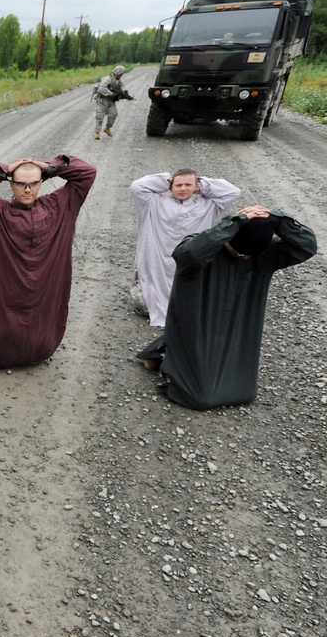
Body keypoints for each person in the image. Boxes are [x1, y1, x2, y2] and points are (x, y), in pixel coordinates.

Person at [136, 206, 316, 410]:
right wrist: (233, 222)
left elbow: (307, 246)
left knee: (244, 394)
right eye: (239, 252)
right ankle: (165, 356)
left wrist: (278, 219)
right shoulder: (199, 249)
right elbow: (188, 254)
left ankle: (163, 355)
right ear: (229, 238)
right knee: (201, 397)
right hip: (196, 324)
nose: (244, 258)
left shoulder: (263, 255)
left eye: (249, 255)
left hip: (236, 326)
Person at [0, 155, 97, 369]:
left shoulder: (59, 208)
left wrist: (47, 166)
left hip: (41, 342)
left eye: (33, 183)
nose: (27, 189)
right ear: (10, 184)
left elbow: (87, 173)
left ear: (42, 182)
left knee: (25, 345)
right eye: (20, 183)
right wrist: (7, 168)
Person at [130, 169, 241, 326]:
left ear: (196, 187)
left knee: (189, 302)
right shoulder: (153, 203)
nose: (183, 189)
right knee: (145, 304)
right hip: (157, 262)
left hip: (188, 260)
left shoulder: (208, 206)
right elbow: (137, 186)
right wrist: (165, 180)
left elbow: (233, 192)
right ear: (170, 187)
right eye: (178, 185)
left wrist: (201, 183)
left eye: (188, 185)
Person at [93, 65, 133, 140]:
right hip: (102, 100)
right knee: (99, 116)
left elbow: (121, 89)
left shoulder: (118, 81)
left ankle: (107, 128)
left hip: (111, 101)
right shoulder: (107, 79)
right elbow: (102, 88)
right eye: (121, 73)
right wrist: (112, 94)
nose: (122, 75)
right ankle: (97, 132)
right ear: (118, 73)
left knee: (114, 114)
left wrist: (124, 95)